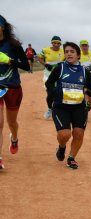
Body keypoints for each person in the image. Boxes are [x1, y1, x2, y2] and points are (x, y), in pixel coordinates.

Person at [45, 41, 91, 170]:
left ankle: (71, 158)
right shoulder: (60, 68)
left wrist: (88, 92)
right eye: (67, 52)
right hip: (61, 107)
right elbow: (49, 83)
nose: (69, 54)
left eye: (72, 52)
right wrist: (57, 92)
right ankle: (62, 146)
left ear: (78, 55)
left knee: (79, 133)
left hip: (79, 107)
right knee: (65, 135)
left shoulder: (85, 72)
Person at [0, 14, 30, 170]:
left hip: (12, 88)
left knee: (12, 123)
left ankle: (15, 138)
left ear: (3, 27)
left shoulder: (13, 45)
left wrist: (9, 60)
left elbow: (27, 67)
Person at [38, 36, 64, 120]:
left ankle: (58, 111)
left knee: (59, 93)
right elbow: (40, 58)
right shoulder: (45, 50)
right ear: (52, 43)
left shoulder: (63, 51)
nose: (56, 44)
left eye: (58, 43)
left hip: (59, 75)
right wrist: (45, 64)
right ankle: (49, 109)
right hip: (48, 75)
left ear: (60, 44)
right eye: (54, 43)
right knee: (50, 94)